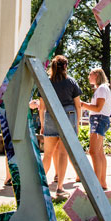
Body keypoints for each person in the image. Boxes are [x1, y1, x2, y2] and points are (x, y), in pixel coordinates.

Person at [39, 55, 81, 200]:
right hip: (68, 116)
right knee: (63, 154)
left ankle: (40, 186)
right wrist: (77, 123)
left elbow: (42, 106)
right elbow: (78, 105)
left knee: (48, 154)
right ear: (65, 67)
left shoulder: (47, 82)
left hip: (51, 116)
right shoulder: (71, 82)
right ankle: (60, 188)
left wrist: (43, 124)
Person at [81, 68, 111, 190]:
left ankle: (97, 184)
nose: (89, 77)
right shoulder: (102, 88)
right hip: (101, 120)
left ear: (97, 75)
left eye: (90, 74)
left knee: (93, 152)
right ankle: (102, 182)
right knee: (99, 152)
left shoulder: (102, 89)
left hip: (98, 120)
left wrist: (83, 105)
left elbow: (98, 108)